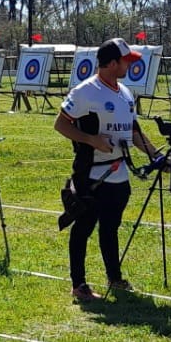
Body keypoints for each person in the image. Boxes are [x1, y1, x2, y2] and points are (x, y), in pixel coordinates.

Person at [54, 37, 162, 302]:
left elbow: (134, 132)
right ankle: (78, 284)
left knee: (110, 228)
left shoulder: (124, 92)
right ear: (113, 63)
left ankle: (114, 277)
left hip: (119, 175)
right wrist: (91, 140)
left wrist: (157, 156)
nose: (130, 65)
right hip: (92, 175)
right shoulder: (85, 91)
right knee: (83, 228)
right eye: (126, 61)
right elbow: (61, 124)